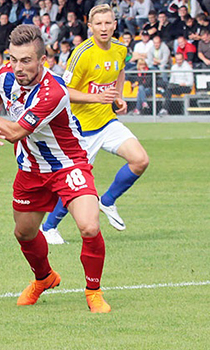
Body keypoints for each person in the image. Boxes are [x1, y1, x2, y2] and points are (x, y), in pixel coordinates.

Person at [0, 23, 111, 313]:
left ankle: (93, 292)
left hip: (67, 164)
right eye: (13, 59)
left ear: (41, 60)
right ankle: (44, 277)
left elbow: (13, 132)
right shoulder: (5, 76)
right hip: (30, 168)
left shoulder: (53, 92)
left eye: (25, 61)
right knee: (23, 233)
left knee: (88, 225)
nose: (18, 67)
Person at [41, 4, 150, 244]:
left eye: (107, 23)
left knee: (140, 160)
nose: (103, 28)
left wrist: (118, 97)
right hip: (82, 129)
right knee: (76, 185)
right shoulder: (82, 53)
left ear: (114, 25)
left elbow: (120, 71)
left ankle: (108, 200)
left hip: (107, 121)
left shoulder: (121, 49)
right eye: (98, 24)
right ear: (90, 27)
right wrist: (96, 98)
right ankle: (49, 227)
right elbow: (64, 91)